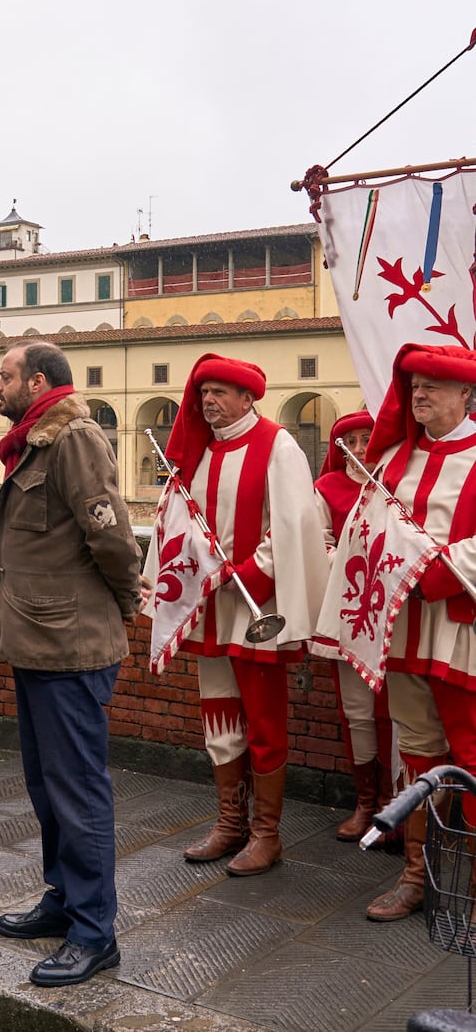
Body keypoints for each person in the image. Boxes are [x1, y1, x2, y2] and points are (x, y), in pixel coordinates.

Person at [0, 342, 142, 988]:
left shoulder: (73, 438)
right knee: (46, 788)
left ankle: (93, 931)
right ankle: (63, 897)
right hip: (36, 641)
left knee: (78, 793)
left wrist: (126, 602)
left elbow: (108, 533)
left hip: (70, 644)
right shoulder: (33, 441)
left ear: (38, 381)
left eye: (4, 376)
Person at [144, 354, 329, 876]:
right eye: (204, 393)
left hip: (257, 608)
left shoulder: (278, 445)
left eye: (221, 392)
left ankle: (267, 834)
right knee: (220, 716)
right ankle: (231, 823)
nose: (208, 401)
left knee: (265, 721)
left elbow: (294, 526)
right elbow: (177, 523)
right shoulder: (197, 453)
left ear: (248, 398)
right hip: (209, 609)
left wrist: (243, 573)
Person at [326, 344, 476, 922]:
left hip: (461, 624)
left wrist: (431, 571)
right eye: (414, 385)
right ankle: (417, 876)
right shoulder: (392, 461)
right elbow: (366, 532)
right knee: (415, 748)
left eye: (434, 385)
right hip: (404, 625)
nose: (420, 394)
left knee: (470, 751)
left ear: (465, 394)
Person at [311, 413, 401, 843]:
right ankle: (365, 803)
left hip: (393, 615)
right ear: (339, 445)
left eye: (369, 437)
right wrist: (345, 560)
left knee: (395, 713)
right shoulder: (326, 488)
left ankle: (392, 804)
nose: (362, 445)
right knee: (357, 713)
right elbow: (318, 542)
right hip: (348, 612)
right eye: (352, 439)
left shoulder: (396, 481)